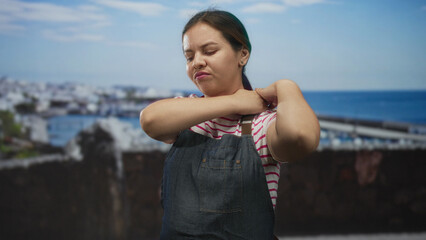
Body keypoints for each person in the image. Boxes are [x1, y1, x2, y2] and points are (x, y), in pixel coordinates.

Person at [140, 9, 320, 240]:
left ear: (242, 55)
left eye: (209, 51)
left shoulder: (260, 125)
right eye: (189, 56)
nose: (197, 62)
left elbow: (300, 137)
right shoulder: (186, 116)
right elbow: (150, 120)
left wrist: (286, 87)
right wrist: (235, 101)